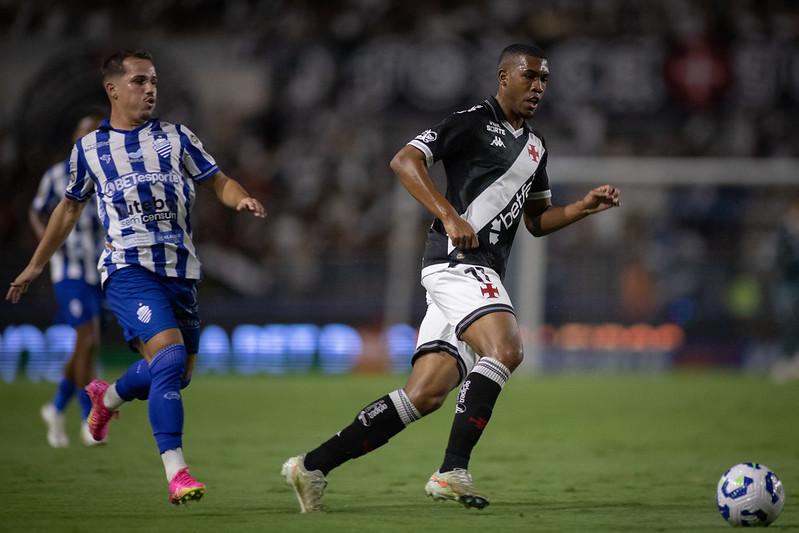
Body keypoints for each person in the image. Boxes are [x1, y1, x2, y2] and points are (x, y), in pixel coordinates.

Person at [281, 43, 620, 512]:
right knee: (506, 349)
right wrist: (449, 214)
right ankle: (451, 471)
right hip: (457, 262)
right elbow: (404, 160)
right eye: (530, 76)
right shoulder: (471, 121)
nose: (538, 87)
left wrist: (583, 207)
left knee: (425, 394)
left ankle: (310, 467)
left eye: (544, 79)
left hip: (478, 272)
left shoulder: (538, 147)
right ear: (504, 77)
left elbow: (538, 221)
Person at [7, 49, 266, 506]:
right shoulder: (89, 150)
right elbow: (68, 208)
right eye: (140, 81)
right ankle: (177, 473)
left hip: (181, 272)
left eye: (154, 82)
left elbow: (217, 180)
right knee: (167, 358)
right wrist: (36, 264)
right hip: (127, 270)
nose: (150, 90)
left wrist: (239, 198)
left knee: (177, 374)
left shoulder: (175, 137)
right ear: (113, 89)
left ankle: (106, 398)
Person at [32, 111, 107, 448]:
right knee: (87, 341)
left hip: (98, 272)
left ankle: (55, 407)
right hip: (68, 271)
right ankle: (88, 422)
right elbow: (36, 210)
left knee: (85, 346)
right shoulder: (57, 175)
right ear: (76, 138)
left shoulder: (108, 173)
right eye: (87, 133)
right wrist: (46, 244)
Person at [771, 196, 799, 383]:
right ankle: (788, 358)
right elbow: (781, 259)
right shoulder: (784, 235)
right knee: (789, 320)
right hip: (788, 283)